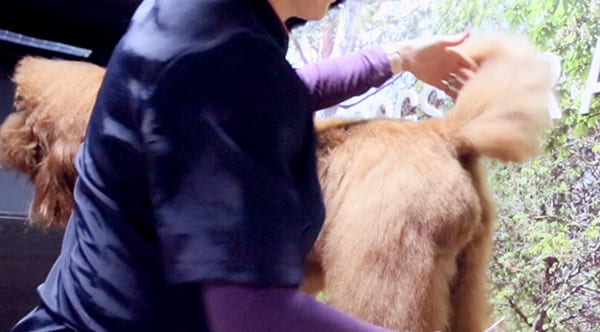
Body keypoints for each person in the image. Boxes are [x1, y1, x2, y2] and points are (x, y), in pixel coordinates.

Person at [11, 0, 476, 331]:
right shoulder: (216, 51)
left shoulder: (211, 23)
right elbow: (251, 312)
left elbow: (272, 94)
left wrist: (397, 58)